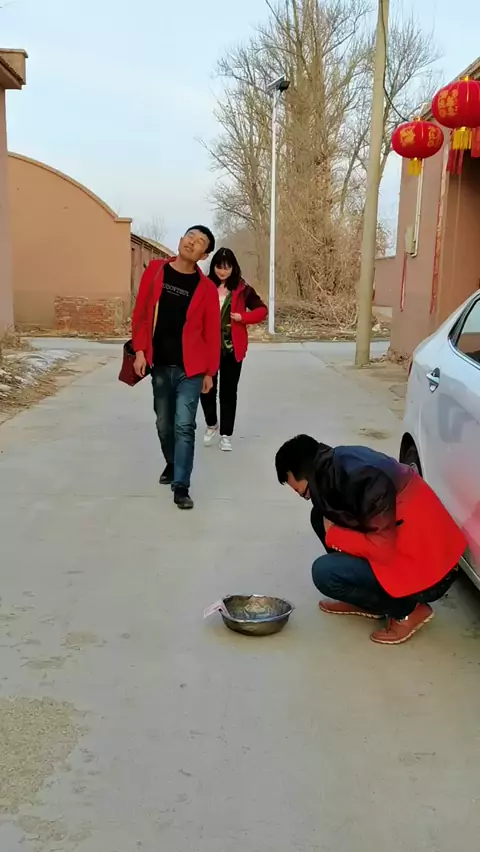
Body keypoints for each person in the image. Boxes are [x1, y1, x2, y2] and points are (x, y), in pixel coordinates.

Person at [275, 435, 467, 644]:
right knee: (319, 515)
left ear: (310, 473)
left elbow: (382, 549)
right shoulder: (338, 465)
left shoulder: (365, 480)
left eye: (304, 493)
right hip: (411, 542)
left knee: (324, 573)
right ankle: (369, 601)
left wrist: (335, 535)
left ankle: (407, 610)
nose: (307, 497)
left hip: (433, 571)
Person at [132, 225, 220, 510]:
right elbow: (141, 314)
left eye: (200, 242)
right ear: (181, 240)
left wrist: (210, 372)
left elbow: (212, 333)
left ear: (204, 255)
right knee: (163, 423)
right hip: (160, 364)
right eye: (190, 236)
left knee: (184, 425)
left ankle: (181, 485)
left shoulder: (206, 289)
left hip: (191, 369)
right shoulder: (156, 271)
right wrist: (140, 350)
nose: (193, 242)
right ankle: (172, 462)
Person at [200, 247, 267, 451]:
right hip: (206, 349)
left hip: (232, 349)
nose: (222, 271)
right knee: (206, 389)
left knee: (228, 393)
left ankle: (226, 434)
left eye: (227, 267)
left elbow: (261, 310)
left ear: (233, 268)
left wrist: (243, 317)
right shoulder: (204, 285)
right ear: (213, 267)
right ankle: (211, 423)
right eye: (219, 267)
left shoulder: (242, 288)